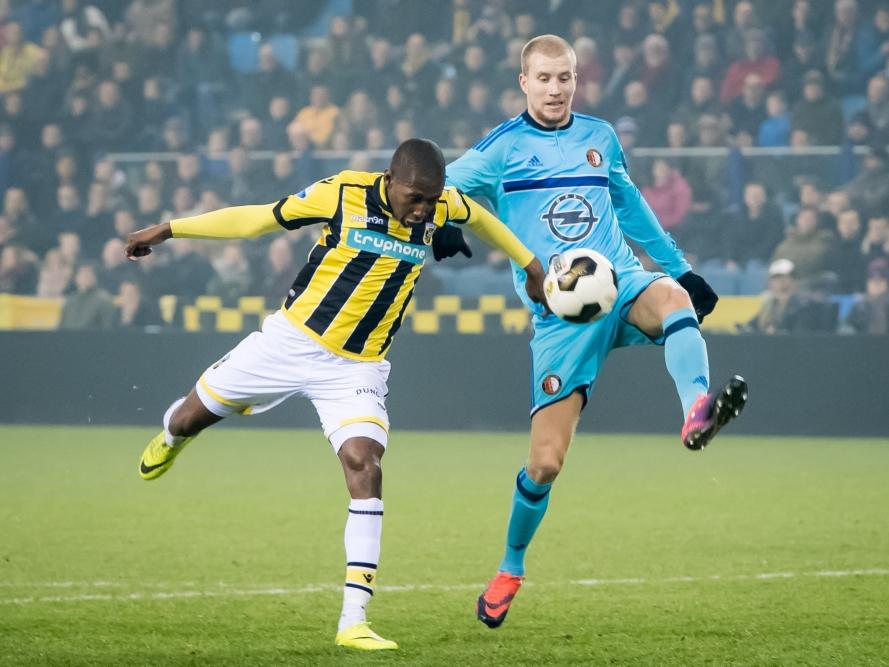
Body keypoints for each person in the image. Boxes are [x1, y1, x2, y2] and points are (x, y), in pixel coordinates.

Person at [124, 139, 546, 651]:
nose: (423, 210)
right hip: (288, 342)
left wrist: (532, 266)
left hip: (357, 366)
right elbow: (258, 219)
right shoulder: (341, 193)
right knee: (189, 418)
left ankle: (354, 620)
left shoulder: (439, 206)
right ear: (389, 180)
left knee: (365, 464)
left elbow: (481, 218)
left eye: (431, 201)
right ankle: (171, 438)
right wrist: (170, 228)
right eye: (414, 198)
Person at [444, 34, 748, 629]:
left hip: (621, 281)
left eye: (566, 78)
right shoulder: (501, 150)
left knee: (675, 299)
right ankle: (510, 567)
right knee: (546, 464)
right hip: (560, 316)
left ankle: (695, 411)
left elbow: (631, 206)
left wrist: (680, 266)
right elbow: (441, 187)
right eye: (545, 79)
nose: (556, 89)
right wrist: (443, 222)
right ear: (523, 83)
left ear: (576, 80)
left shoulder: (599, 137)